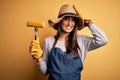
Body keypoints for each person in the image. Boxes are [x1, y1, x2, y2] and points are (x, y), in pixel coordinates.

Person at [30, 4, 108, 80]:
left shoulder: (81, 41)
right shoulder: (49, 41)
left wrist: (89, 23)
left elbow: (103, 40)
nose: (69, 24)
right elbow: (45, 72)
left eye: (73, 20)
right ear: (60, 21)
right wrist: (39, 58)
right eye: (66, 19)